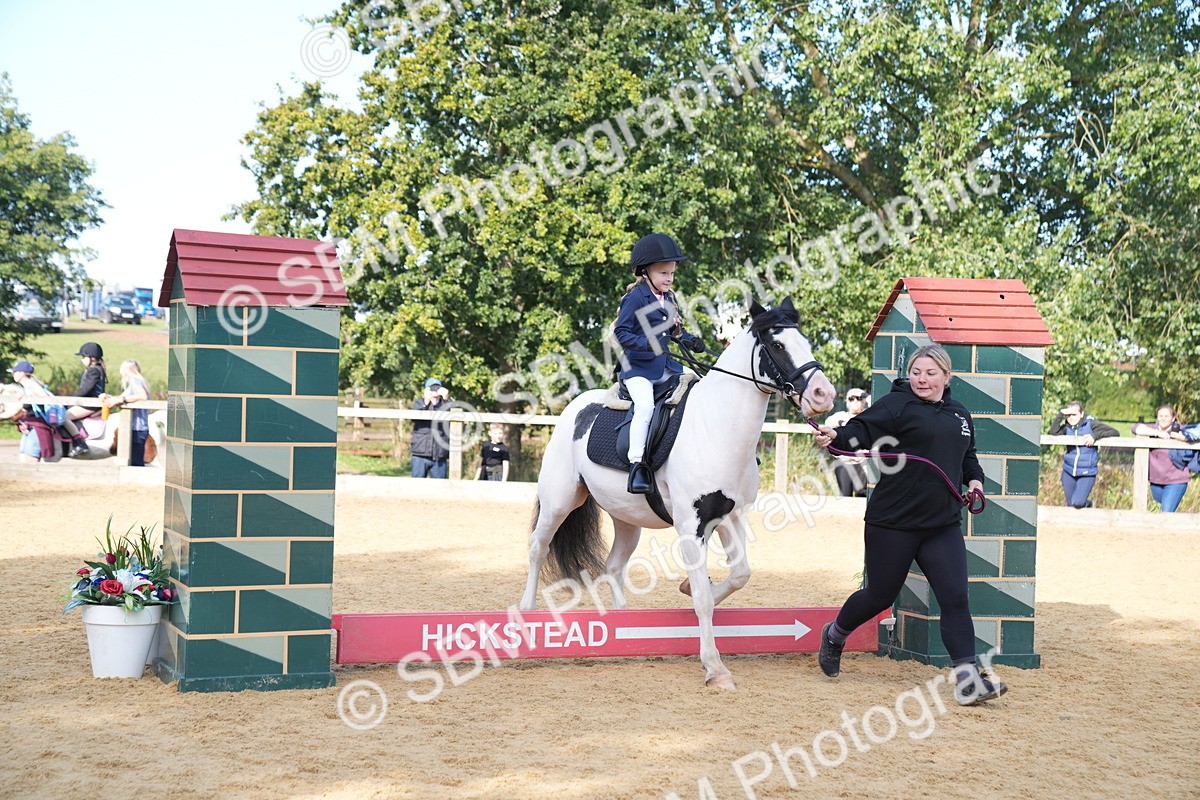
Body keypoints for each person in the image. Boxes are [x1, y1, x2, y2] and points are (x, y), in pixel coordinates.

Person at [812, 344, 1006, 706]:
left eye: (931, 373)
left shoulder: (960, 414)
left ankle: (967, 681)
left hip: (942, 523)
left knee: (955, 597)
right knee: (880, 595)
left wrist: (975, 480)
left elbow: (968, 457)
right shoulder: (896, 404)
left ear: (947, 378)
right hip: (893, 521)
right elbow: (860, 431)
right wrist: (835, 437)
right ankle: (835, 634)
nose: (922, 379)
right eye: (917, 371)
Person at [612, 233, 705, 494]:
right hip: (639, 369)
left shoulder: (670, 298)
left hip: (667, 367)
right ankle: (637, 465)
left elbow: (674, 333)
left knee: (704, 387)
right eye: (664, 273)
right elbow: (622, 333)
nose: (669, 279)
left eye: (672, 274)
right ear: (646, 272)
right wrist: (650, 345)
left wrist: (689, 340)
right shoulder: (635, 298)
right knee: (645, 407)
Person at [6, 360, 89, 457]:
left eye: (15, 372)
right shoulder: (27, 385)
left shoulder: (31, 384)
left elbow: (44, 396)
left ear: (22, 373)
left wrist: (31, 397)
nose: (13, 375)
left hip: (52, 410)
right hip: (46, 412)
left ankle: (79, 442)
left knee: (64, 419)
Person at [1049, 401, 1118, 509]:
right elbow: (1053, 432)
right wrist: (1060, 414)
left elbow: (1114, 432)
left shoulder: (1091, 424)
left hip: (1087, 471)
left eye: (1074, 414)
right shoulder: (1067, 428)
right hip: (1068, 470)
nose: (1071, 418)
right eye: (1068, 415)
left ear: (1081, 414)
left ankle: (1088, 504)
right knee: (1071, 505)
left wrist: (1094, 436)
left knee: (1078, 503)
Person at [1131, 405, 1191, 512]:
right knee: (1158, 510)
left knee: (1166, 511)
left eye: (1166, 416)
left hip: (1176, 479)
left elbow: (1195, 433)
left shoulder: (1179, 429)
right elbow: (1136, 427)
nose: (1163, 419)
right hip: (1156, 480)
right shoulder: (1152, 429)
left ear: (1173, 418)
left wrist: (1179, 437)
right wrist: (1158, 434)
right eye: (1160, 416)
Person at [102, 359, 153, 466]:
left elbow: (142, 396)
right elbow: (123, 397)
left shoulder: (135, 381)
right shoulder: (137, 382)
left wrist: (122, 400)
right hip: (138, 427)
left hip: (137, 427)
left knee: (136, 461)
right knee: (135, 459)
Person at [823, 389, 870, 497]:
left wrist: (866, 396)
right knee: (844, 496)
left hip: (863, 463)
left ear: (863, 401)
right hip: (845, 463)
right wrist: (844, 423)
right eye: (851, 398)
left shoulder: (868, 416)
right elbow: (828, 422)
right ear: (847, 402)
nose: (855, 401)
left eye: (859, 398)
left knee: (862, 497)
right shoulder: (841, 415)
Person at [410, 378, 450, 478]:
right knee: (416, 487)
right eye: (431, 388)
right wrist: (426, 403)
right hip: (420, 453)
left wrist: (445, 399)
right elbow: (414, 418)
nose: (434, 390)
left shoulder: (446, 404)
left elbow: (453, 416)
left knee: (440, 488)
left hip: (440, 454)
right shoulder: (419, 403)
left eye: (437, 387)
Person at [68, 342, 107, 423]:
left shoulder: (93, 370)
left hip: (90, 404)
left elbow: (85, 389)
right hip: (90, 403)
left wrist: (71, 400)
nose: (82, 359)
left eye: (83, 357)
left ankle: (76, 435)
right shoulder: (98, 368)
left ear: (91, 357)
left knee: (63, 417)